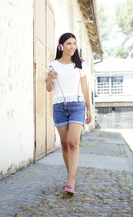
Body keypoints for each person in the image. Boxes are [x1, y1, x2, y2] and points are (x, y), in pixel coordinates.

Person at [46, 33, 92, 194]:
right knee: (64, 143)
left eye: (74, 43)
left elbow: (85, 88)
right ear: (61, 46)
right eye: (68, 43)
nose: (72, 47)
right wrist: (50, 80)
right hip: (59, 106)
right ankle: (70, 176)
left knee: (73, 142)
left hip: (77, 105)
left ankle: (71, 181)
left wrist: (89, 108)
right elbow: (48, 88)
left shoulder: (80, 65)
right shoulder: (52, 65)